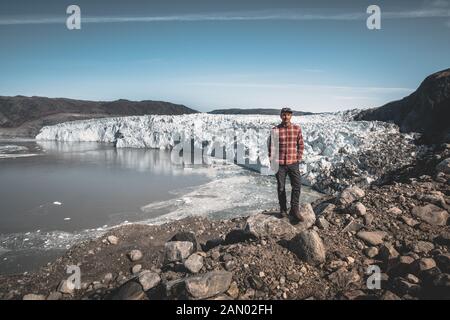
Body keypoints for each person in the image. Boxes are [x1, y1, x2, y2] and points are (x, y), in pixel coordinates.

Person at [268, 107, 304, 218]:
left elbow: (301, 144)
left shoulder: (297, 129)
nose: (286, 117)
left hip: (293, 162)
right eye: (284, 114)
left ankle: (294, 209)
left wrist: (298, 157)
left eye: (288, 114)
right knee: (281, 187)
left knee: (297, 186)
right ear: (281, 116)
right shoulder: (275, 130)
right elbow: (271, 147)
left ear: (291, 116)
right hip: (280, 164)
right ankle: (283, 210)